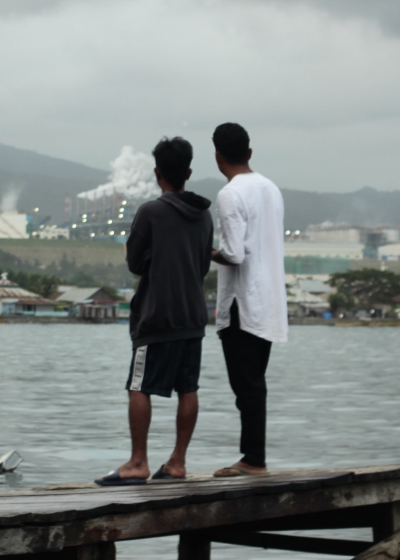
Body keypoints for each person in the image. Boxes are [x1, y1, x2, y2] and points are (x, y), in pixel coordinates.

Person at [95, 137, 214, 486]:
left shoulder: (151, 211)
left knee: (139, 387)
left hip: (157, 316)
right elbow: (204, 264)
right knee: (188, 388)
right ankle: (177, 461)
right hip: (194, 316)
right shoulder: (205, 215)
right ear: (188, 172)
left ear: (156, 172)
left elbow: (134, 263)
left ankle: (137, 463)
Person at [210, 122, 288, 477]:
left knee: (247, 386)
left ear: (217, 156)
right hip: (269, 300)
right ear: (250, 152)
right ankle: (254, 456)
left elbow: (235, 254)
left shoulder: (230, 194)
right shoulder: (271, 188)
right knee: (255, 382)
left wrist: (206, 253)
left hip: (242, 301)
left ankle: (253, 459)